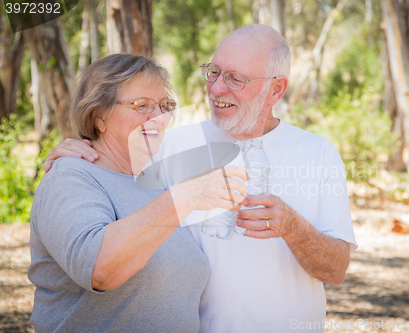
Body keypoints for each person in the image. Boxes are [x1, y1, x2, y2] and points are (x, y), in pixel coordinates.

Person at [44, 25, 358, 332]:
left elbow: (335, 270)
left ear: (275, 88)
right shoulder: (167, 146)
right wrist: (75, 148)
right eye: (215, 72)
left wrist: (293, 227)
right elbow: (110, 159)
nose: (216, 88)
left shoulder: (318, 153)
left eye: (235, 79)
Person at [29, 53, 248, 333]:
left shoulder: (153, 181)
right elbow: (101, 270)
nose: (158, 116)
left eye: (164, 105)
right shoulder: (71, 176)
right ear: (99, 116)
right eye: (142, 105)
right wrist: (185, 197)